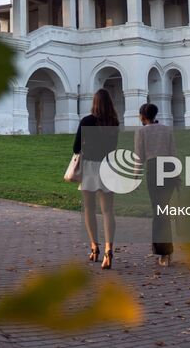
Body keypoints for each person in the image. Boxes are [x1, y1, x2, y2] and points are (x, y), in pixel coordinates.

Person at [73, 89, 121, 269]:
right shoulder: (114, 122)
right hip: (108, 166)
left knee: (89, 209)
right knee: (108, 211)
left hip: (90, 166)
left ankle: (94, 247)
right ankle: (109, 250)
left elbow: (76, 147)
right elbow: (113, 147)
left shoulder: (86, 121)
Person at [135, 102, 178, 266]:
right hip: (169, 168)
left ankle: (163, 252)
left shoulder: (141, 132)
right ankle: (166, 251)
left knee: (158, 212)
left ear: (143, 116)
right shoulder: (167, 130)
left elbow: (139, 157)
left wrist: (135, 177)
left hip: (154, 169)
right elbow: (173, 152)